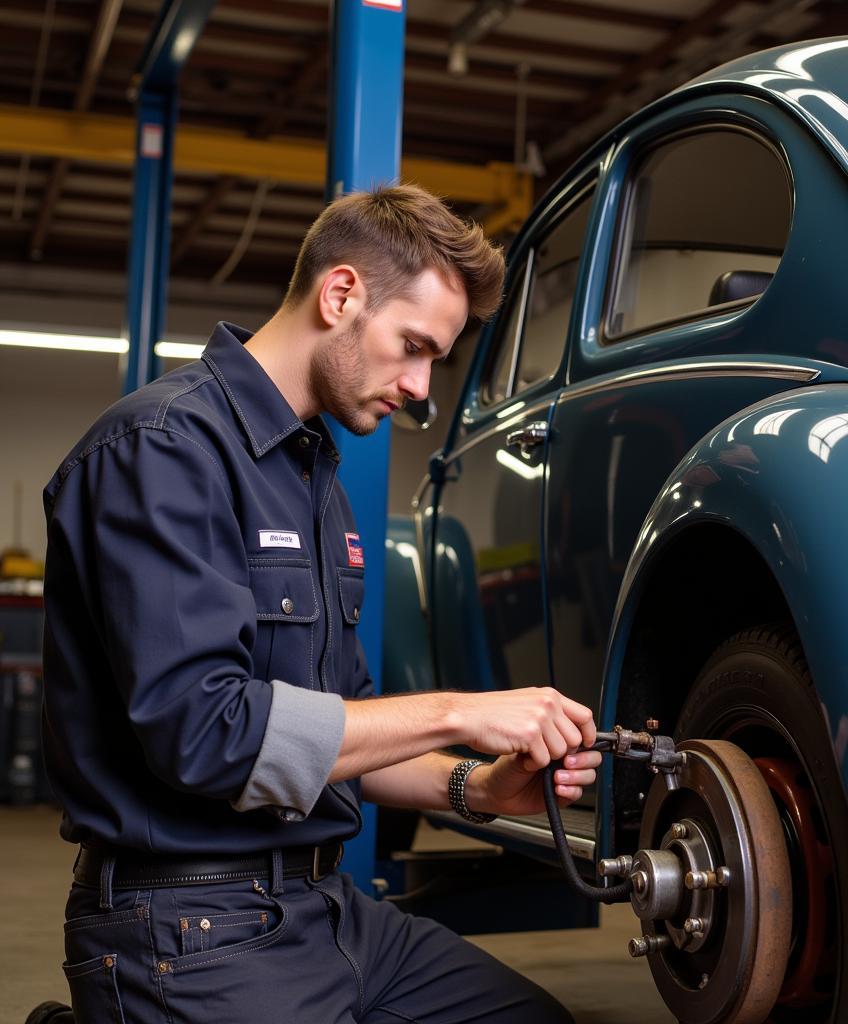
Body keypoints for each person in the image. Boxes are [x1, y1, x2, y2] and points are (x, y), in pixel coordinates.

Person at [40, 184, 602, 1024]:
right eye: (413, 347)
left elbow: (343, 733)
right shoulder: (162, 450)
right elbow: (208, 735)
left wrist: (476, 787)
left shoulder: (315, 482)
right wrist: (463, 710)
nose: (419, 386)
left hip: (328, 912)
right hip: (190, 930)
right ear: (340, 294)